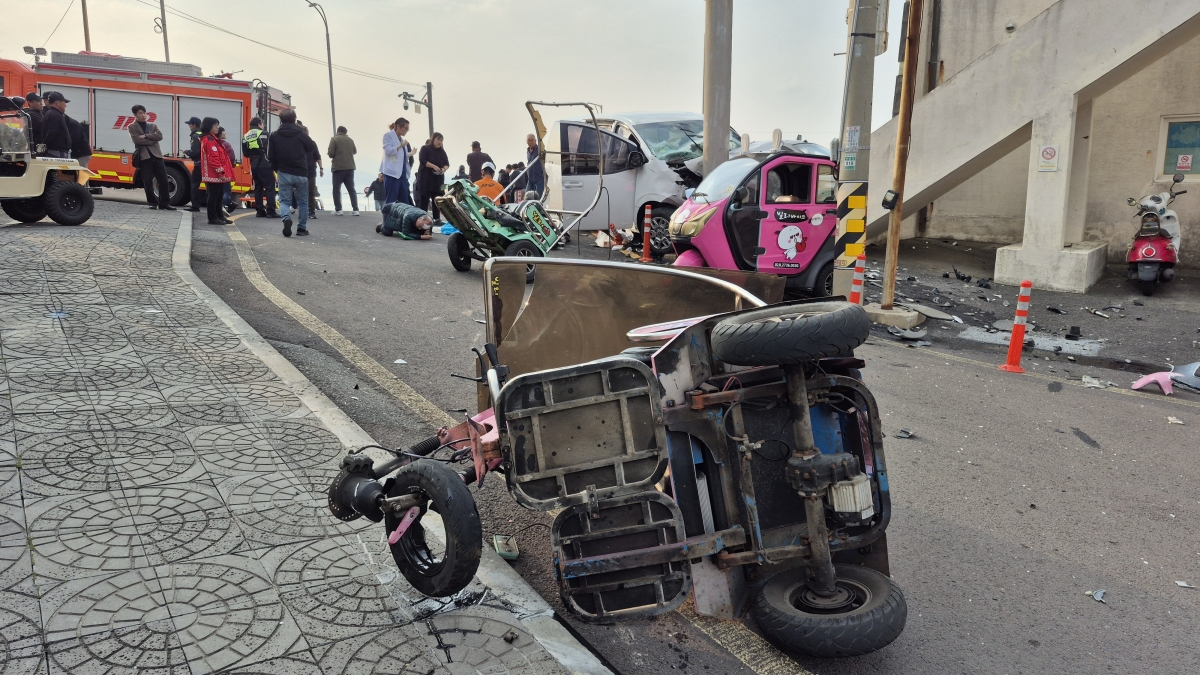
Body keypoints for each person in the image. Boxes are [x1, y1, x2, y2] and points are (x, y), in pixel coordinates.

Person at [267, 109, 318, 237]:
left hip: (284, 172)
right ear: (294, 120)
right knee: (303, 202)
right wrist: (301, 130)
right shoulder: (301, 134)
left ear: (280, 120)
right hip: (301, 172)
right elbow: (311, 147)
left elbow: (270, 156)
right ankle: (301, 228)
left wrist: (276, 168)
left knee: (284, 201)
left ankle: (286, 218)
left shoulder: (274, 135)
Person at [128, 104, 175, 211]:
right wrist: (152, 140)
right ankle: (152, 203)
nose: (143, 115)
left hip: (157, 156)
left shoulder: (153, 125)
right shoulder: (131, 127)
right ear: (135, 115)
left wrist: (145, 136)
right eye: (140, 113)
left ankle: (165, 204)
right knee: (148, 181)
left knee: (163, 180)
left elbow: (160, 136)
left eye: (144, 113)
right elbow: (137, 140)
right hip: (144, 157)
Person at [199, 117, 234, 225]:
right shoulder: (209, 140)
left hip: (215, 174)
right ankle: (213, 218)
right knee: (213, 196)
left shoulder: (213, 139)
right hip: (213, 174)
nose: (217, 128)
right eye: (215, 125)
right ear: (209, 126)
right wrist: (221, 172)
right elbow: (214, 159)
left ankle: (219, 216)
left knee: (218, 195)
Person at [243, 117, 276, 218]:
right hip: (265, 163)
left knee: (258, 187)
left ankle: (260, 211)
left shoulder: (246, 136)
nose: (263, 126)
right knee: (270, 187)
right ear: (258, 124)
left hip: (254, 164)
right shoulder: (265, 133)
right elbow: (270, 149)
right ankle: (271, 211)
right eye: (262, 124)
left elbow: (245, 153)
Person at [414, 132, 450, 222]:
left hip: (438, 179)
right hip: (426, 178)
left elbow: (447, 164)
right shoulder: (425, 148)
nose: (440, 142)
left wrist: (443, 169)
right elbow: (422, 160)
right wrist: (433, 166)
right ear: (433, 139)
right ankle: (422, 218)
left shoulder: (442, 152)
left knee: (437, 199)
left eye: (441, 140)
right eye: (438, 139)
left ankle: (436, 218)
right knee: (424, 199)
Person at [327, 126, 358, 216]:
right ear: (345, 132)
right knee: (351, 189)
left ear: (338, 132)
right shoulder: (350, 140)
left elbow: (331, 154)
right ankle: (356, 209)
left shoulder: (334, 139)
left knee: (336, 189)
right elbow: (355, 151)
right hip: (350, 167)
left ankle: (339, 209)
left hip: (338, 168)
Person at [381, 118, 412, 207]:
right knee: (391, 201)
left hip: (402, 174)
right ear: (398, 126)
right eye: (405, 128)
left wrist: (410, 154)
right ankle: (387, 220)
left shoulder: (401, 139)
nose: (406, 130)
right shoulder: (388, 135)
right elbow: (389, 151)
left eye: (407, 129)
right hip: (392, 173)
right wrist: (399, 146)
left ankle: (403, 221)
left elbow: (402, 156)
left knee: (404, 201)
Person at [298, 122, 323, 218]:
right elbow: (318, 157)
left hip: (305, 170)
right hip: (308, 170)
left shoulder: (311, 143)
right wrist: (321, 168)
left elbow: (317, 156)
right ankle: (310, 211)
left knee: (305, 191)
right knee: (310, 192)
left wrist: (321, 168)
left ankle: (309, 210)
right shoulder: (309, 143)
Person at [40, 92, 71, 159]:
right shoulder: (55, 115)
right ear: (57, 103)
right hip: (57, 152)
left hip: (55, 151)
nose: (65, 105)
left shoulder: (52, 113)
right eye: (64, 102)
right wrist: (46, 145)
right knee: (59, 168)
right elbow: (52, 133)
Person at [183, 116, 203, 211]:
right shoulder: (203, 134)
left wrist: (187, 152)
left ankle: (195, 206)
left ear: (194, 125)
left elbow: (195, 152)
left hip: (199, 164)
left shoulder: (195, 136)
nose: (189, 126)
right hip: (206, 165)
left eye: (189, 124)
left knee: (194, 185)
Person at [218, 127, 237, 210]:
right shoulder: (226, 145)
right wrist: (232, 165)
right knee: (226, 191)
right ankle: (220, 206)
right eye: (223, 132)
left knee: (219, 191)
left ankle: (231, 204)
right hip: (225, 170)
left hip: (216, 171)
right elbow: (232, 157)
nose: (225, 133)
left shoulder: (214, 144)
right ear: (220, 134)